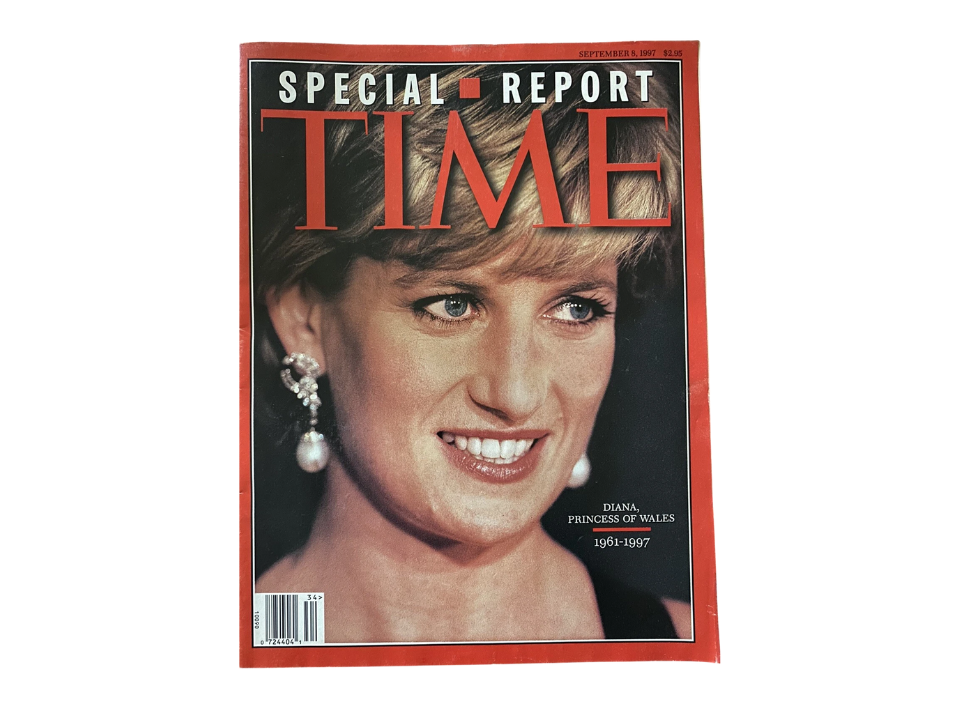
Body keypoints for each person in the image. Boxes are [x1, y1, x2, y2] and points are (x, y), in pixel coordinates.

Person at [252, 63, 690, 642]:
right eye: (452, 305)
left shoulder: (686, 653)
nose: (516, 394)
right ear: (303, 319)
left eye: (575, 308)